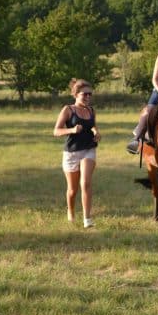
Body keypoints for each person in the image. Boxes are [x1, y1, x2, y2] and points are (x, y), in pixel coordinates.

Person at [53, 78, 101, 228]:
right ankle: (71, 211)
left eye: (90, 94)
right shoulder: (68, 110)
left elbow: (93, 126)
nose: (88, 97)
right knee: (72, 190)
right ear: (76, 94)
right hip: (71, 153)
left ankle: (87, 219)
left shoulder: (91, 110)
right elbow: (56, 131)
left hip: (88, 150)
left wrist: (96, 133)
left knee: (85, 183)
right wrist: (72, 130)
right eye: (85, 94)